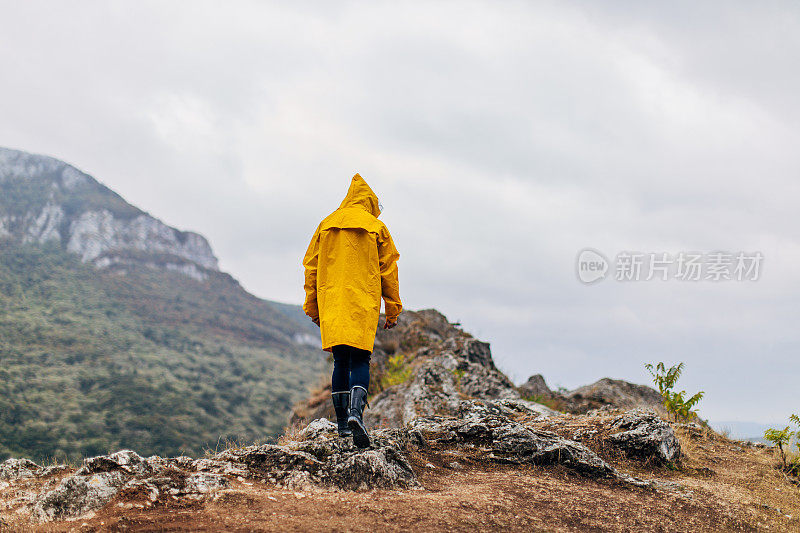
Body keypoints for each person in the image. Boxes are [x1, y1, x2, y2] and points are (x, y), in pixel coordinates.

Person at [302, 174, 402, 448]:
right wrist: (392, 309)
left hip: (333, 303)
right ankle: (357, 415)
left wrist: (313, 306)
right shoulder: (376, 227)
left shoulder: (326, 225)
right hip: (362, 302)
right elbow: (388, 270)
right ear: (368, 201)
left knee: (341, 362)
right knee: (360, 360)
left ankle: (343, 425)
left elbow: (311, 267)